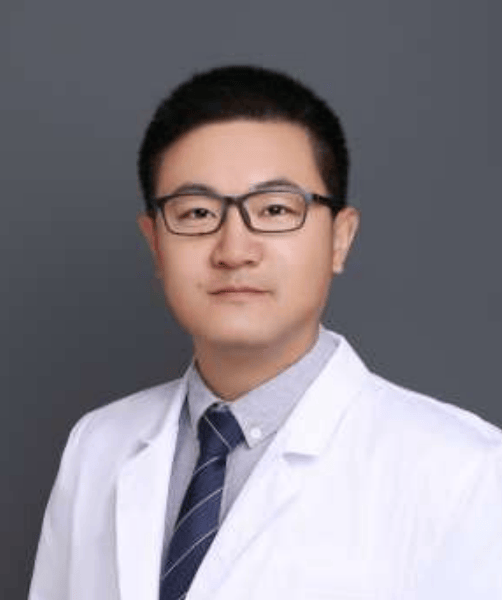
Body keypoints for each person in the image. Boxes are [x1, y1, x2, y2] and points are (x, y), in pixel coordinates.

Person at [29, 65, 502, 600]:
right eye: (197, 212)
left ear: (340, 238)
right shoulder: (97, 445)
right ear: (155, 244)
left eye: (275, 209)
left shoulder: (465, 471)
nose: (234, 250)